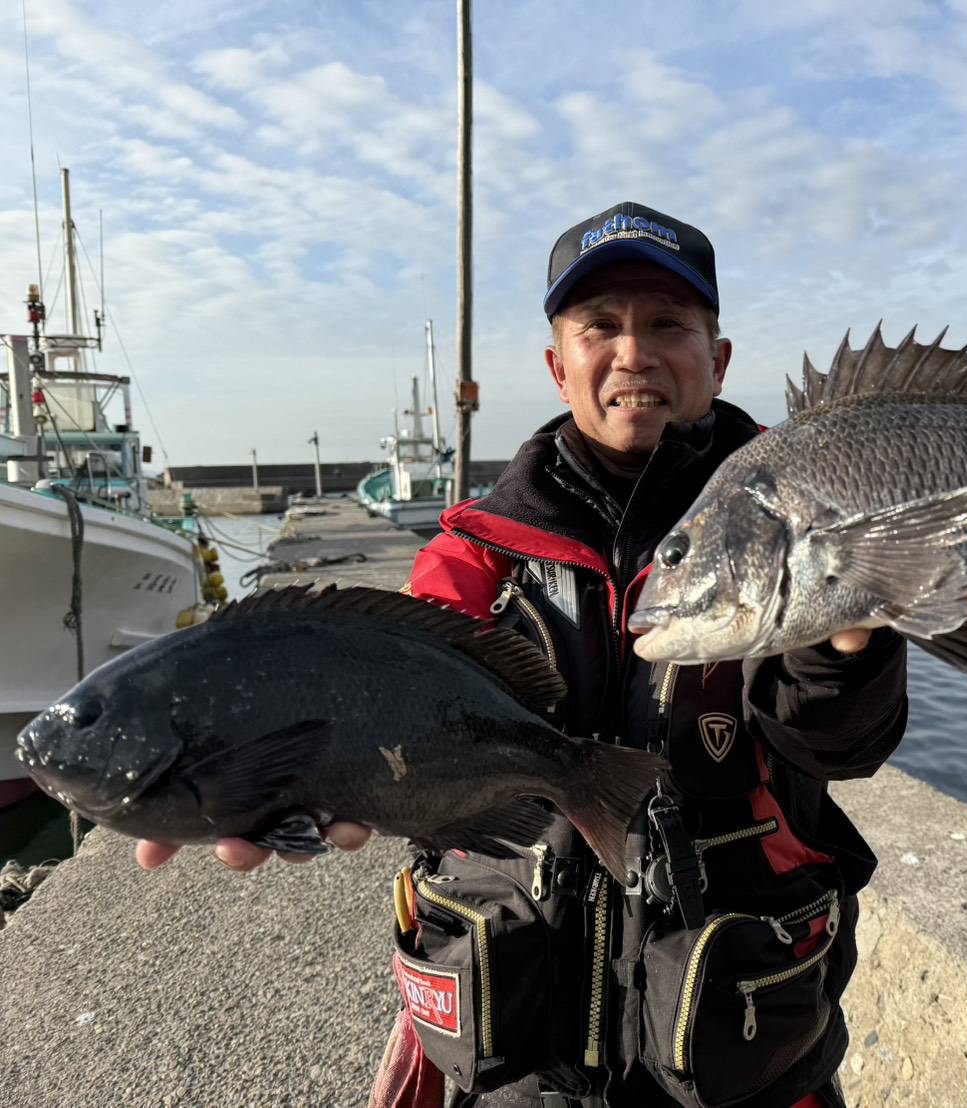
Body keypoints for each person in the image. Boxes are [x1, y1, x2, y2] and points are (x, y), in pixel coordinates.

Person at [142, 202, 908, 1108]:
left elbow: (843, 748)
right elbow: (381, 687)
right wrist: (274, 771)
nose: (633, 354)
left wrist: (852, 638)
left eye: (668, 324)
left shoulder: (806, 520)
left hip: (740, 1038)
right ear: (558, 365)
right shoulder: (472, 556)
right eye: (600, 327)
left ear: (719, 358)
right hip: (524, 1047)